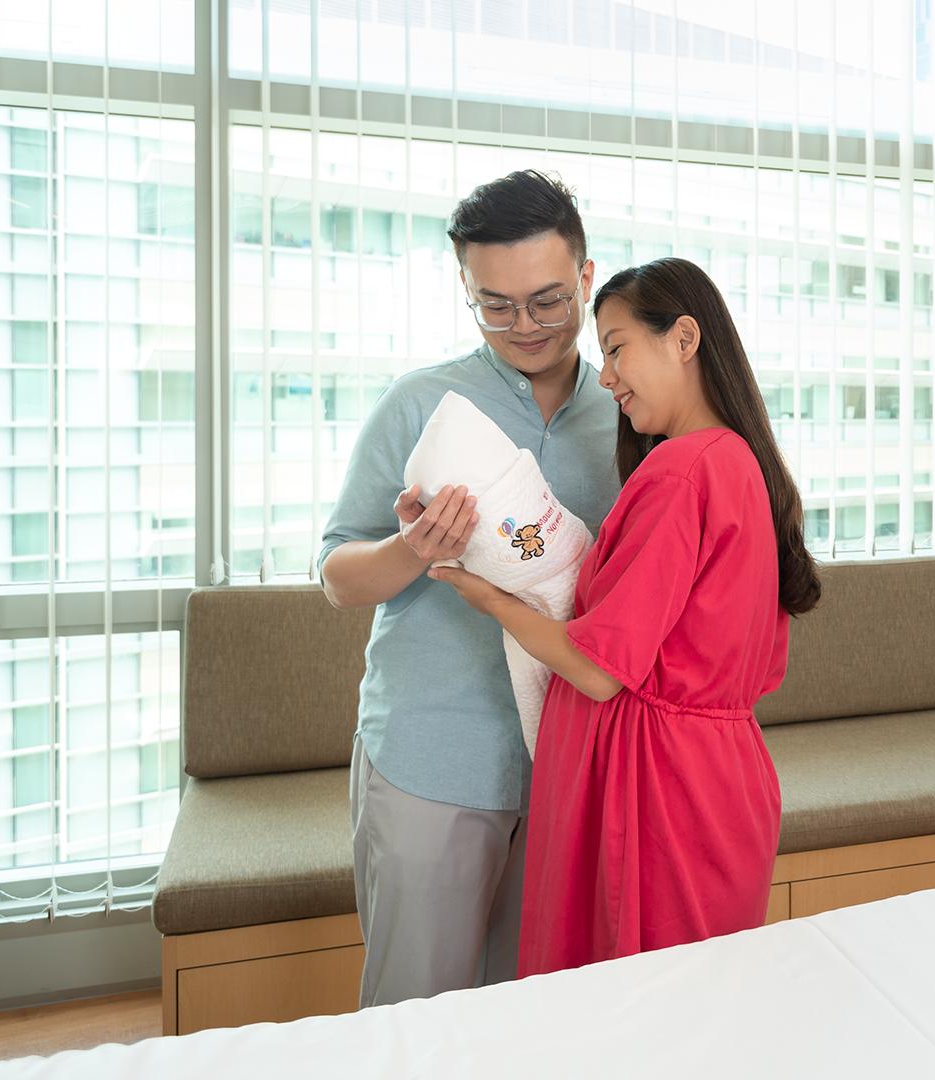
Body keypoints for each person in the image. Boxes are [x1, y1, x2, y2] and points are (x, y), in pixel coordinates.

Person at [429, 257, 821, 976]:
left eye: (614, 348)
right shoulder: (741, 465)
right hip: (718, 784)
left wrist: (487, 594)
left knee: (628, 1016)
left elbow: (599, 670)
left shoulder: (680, 472)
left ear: (683, 339)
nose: (604, 376)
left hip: (657, 794)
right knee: (694, 1010)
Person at [317, 170, 621, 1006]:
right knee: (414, 1024)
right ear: (466, 288)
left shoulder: (628, 417)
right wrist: (415, 549)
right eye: (497, 304)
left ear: (588, 279)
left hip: (570, 767)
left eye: (549, 300)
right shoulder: (422, 404)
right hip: (432, 759)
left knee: (537, 1019)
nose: (525, 325)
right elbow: (339, 575)